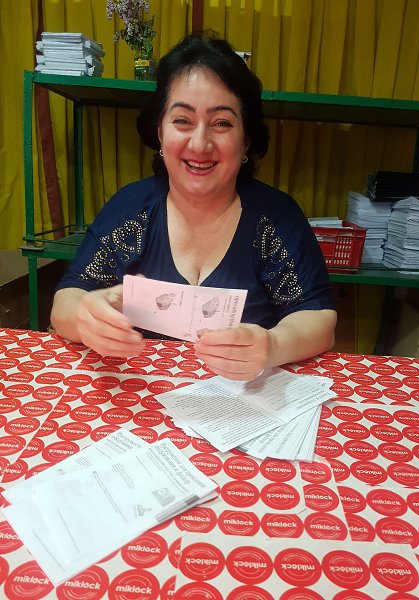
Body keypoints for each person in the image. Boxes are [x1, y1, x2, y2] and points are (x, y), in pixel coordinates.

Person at [50, 31, 337, 381]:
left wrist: (274, 344)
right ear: (160, 132)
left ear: (246, 140)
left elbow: (318, 317)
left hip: (245, 398)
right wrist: (86, 316)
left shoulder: (276, 217)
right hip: (140, 396)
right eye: (182, 121)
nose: (200, 144)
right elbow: (66, 301)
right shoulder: (131, 209)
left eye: (222, 123)